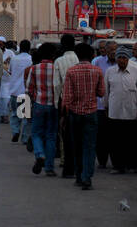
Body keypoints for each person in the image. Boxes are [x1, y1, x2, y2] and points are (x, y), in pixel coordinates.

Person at [62, 43, 106, 189]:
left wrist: (64, 115)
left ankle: (79, 176)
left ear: (77, 55)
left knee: (77, 146)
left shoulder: (71, 72)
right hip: (91, 113)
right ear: (92, 55)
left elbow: (67, 97)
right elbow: (101, 93)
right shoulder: (97, 71)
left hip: (75, 113)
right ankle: (87, 177)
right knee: (90, 146)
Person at [104, 46, 137, 174]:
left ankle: (131, 165)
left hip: (131, 112)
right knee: (115, 141)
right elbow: (106, 91)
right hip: (114, 112)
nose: (122, 60)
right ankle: (117, 166)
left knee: (131, 141)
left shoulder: (135, 71)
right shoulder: (110, 72)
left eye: (124, 58)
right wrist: (106, 106)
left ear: (128, 59)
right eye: (119, 58)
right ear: (116, 59)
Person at [26, 43, 59, 176]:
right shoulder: (56, 69)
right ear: (53, 55)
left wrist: (34, 100)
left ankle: (40, 154)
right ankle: (49, 168)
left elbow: (29, 89)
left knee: (36, 133)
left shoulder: (34, 69)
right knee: (51, 136)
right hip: (53, 105)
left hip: (39, 104)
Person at [53, 33, 79, 178]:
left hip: (65, 102)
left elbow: (57, 85)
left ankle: (65, 161)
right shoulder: (79, 59)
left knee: (65, 134)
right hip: (81, 103)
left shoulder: (59, 61)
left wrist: (58, 103)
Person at [92, 41, 117, 167]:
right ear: (105, 51)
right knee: (101, 135)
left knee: (114, 135)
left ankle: (115, 161)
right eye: (111, 49)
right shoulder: (97, 62)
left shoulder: (121, 63)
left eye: (115, 49)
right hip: (101, 106)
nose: (113, 52)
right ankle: (102, 160)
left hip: (116, 106)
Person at [8, 39, 33, 143]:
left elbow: (10, 71)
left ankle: (15, 131)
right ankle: (25, 138)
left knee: (14, 114)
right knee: (25, 116)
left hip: (14, 90)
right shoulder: (31, 59)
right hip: (24, 91)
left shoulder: (14, 59)